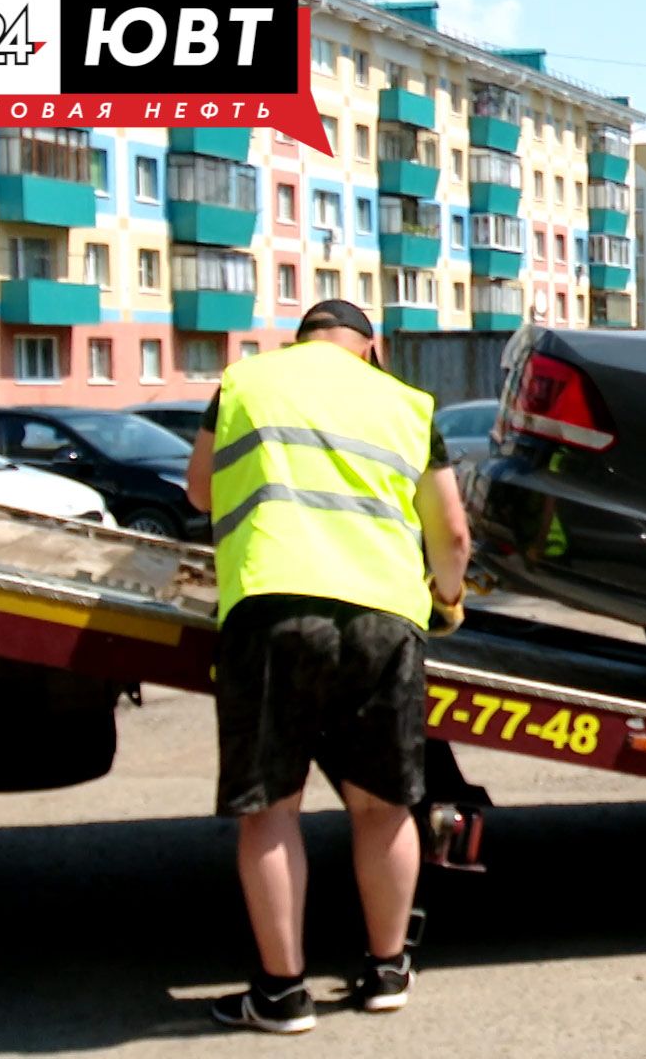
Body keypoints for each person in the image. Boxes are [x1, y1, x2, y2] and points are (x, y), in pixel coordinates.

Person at [185, 299, 471, 1034]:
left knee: (272, 810)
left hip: (273, 607)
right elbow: (453, 533)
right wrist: (446, 600)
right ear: (370, 350)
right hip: (383, 617)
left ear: (301, 341)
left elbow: (197, 489)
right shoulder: (407, 402)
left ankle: (280, 994)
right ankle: (385, 971)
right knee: (382, 807)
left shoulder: (248, 381)